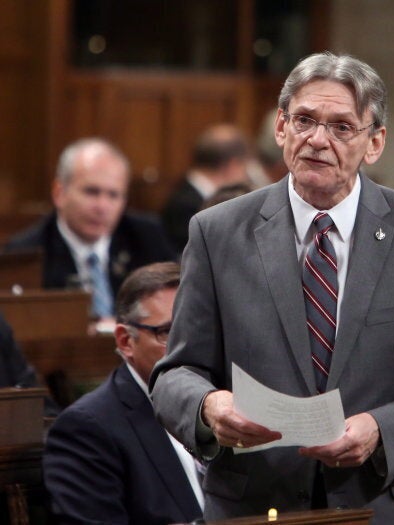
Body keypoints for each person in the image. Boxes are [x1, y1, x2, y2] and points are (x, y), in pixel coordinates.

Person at [150, 51, 394, 524]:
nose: (318, 140)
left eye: (342, 127)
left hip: (381, 501)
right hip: (255, 503)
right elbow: (174, 373)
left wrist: (380, 429)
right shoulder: (217, 231)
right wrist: (208, 407)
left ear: (374, 143)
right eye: (305, 120)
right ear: (281, 129)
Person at [43, 262, 204, 525]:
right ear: (125, 341)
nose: (190, 346)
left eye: (198, 328)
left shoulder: (229, 400)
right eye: (167, 332)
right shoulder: (86, 430)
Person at [3, 138, 176, 321]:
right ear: (59, 193)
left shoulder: (146, 236)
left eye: (113, 195)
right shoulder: (28, 252)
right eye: (91, 192)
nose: (102, 206)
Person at [160, 124, 250, 253]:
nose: (247, 175)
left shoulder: (184, 194)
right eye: (245, 167)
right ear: (233, 166)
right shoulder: (187, 206)